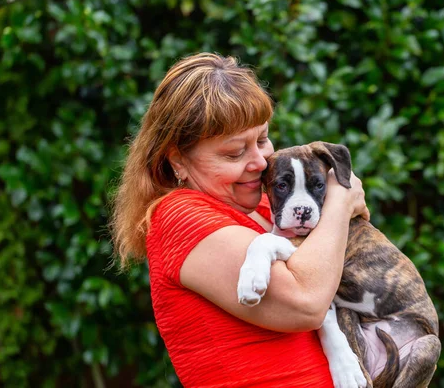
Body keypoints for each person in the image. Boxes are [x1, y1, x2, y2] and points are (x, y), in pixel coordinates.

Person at [110, 53, 369, 387]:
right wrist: (339, 199)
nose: (261, 161)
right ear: (178, 161)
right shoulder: (178, 216)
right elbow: (305, 304)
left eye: (262, 139)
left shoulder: (266, 206)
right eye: (234, 153)